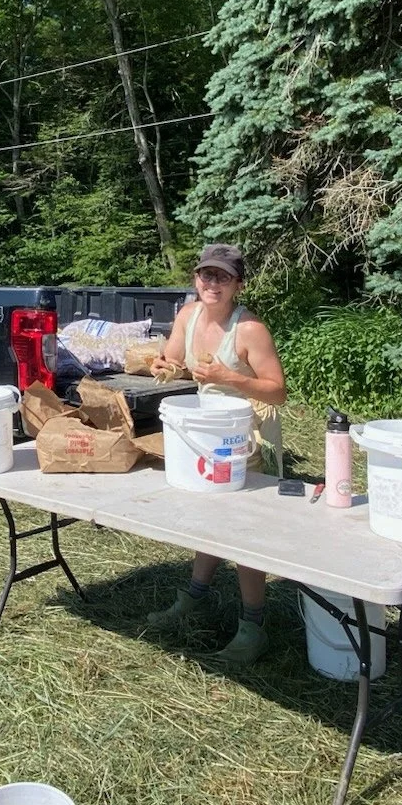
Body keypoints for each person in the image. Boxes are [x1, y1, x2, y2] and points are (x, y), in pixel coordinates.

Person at [147, 243, 287, 664]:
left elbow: (278, 390)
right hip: (206, 430)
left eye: (222, 277)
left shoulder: (250, 330)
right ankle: (194, 597)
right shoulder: (188, 316)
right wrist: (163, 366)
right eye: (206, 274)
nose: (212, 283)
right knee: (208, 516)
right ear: (196, 280)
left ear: (237, 285)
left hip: (249, 434)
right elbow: (172, 358)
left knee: (244, 531)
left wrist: (229, 376)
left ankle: (253, 626)